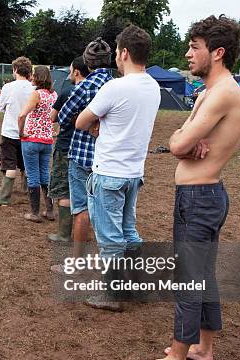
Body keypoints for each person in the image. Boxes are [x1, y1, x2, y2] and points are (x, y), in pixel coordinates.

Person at [134, 15, 240, 360]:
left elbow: (178, 143)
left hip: (200, 199)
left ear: (218, 53)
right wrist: (184, 139)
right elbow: (181, 140)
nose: (187, 53)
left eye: (194, 47)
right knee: (203, 276)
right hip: (203, 195)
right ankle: (203, 348)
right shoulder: (212, 92)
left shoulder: (223, 92)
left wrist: (184, 141)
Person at [76, 25, 161, 312]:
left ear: (124, 53)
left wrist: (99, 125)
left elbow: (80, 122)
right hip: (134, 173)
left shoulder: (114, 87)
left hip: (109, 171)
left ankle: (112, 294)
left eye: (116, 52)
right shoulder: (153, 87)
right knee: (128, 232)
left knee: (110, 238)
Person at [57, 38, 112, 260]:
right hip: (108, 158)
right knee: (108, 212)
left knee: (81, 209)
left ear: (88, 63)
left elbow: (63, 116)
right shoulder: (116, 85)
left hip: (82, 155)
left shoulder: (86, 86)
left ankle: (78, 261)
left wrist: (87, 120)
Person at [48, 56, 89, 241]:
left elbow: (53, 117)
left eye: (71, 70)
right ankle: (83, 233)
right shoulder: (97, 91)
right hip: (88, 149)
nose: (70, 74)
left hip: (66, 145)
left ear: (77, 72)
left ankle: (64, 234)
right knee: (85, 192)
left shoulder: (68, 92)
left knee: (64, 190)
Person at [0, 56, 34, 205]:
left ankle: (4, 197)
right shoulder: (33, 88)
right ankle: (25, 189)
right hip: (28, 132)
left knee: (9, 163)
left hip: (10, 131)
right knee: (26, 164)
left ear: (15, 70)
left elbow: (1, 107)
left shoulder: (8, 87)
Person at [17, 66, 57, 222]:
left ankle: (35, 213)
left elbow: (22, 115)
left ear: (37, 77)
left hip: (32, 140)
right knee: (45, 175)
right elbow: (56, 116)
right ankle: (50, 210)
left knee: (33, 175)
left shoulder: (36, 94)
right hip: (47, 140)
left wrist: (21, 132)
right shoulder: (54, 95)